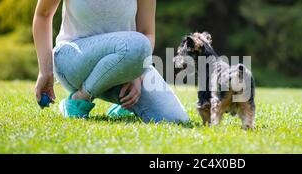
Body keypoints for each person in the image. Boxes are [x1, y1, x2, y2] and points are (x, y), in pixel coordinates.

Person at [33, 0, 189, 123]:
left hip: (128, 58)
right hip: (72, 60)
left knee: (176, 119)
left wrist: (136, 72)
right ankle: (79, 99)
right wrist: (45, 71)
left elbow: (147, 32)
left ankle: (123, 105)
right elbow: (43, 15)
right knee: (137, 44)